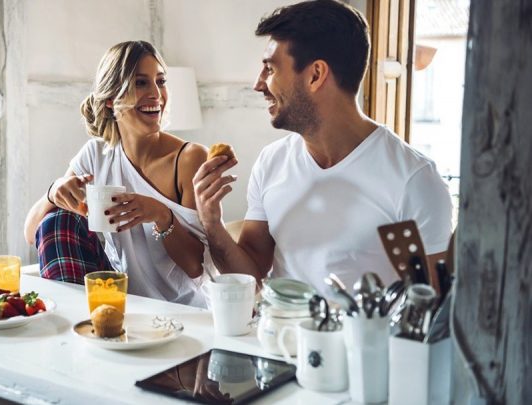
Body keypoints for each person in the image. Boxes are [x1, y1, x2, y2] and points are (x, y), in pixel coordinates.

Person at [192, 0, 452, 293]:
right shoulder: (271, 162)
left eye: (270, 69)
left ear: (316, 75)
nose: (258, 84)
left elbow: (432, 305)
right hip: (275, 336)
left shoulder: (414, 179)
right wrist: (212, 225)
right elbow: (250, 276)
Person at [24, 40, 213, 308]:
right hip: (119, 304)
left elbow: (197, 268)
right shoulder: (96, 154)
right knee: (57, 220)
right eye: (141, 83)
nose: (157, 95)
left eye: (160, 81)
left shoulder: (189, 158)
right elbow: (33, 234)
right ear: (112, 100)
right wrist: (53, 192)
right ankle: (75, 324)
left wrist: (161, 215)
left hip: (182, 311)